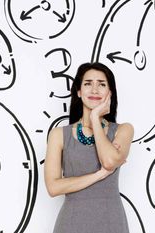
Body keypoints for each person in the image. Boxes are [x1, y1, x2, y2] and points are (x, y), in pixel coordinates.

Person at [44, 62, 134, 233]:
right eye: (87, 84)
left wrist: (94, 118)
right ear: (78, 91)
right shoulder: (58, 134)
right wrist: (99, 175)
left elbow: (108, 162)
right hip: (71, 223)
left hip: (111, 221)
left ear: (110, 92)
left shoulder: (123, 130)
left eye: (101, 84)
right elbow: (53, 187)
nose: (94, 90)